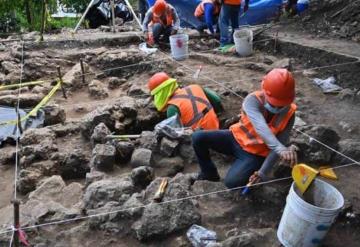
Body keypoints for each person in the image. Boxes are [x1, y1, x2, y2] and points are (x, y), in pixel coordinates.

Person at [192, 68, 298, 188]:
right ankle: (209, 173)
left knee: (231, 182)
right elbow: (260, 127)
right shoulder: (252, 100)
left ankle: (247, 166)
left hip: (255, 154)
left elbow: (280, 143)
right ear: (264, 91)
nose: (277, 108)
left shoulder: (289, 113)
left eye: (281, 105)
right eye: (274, 103)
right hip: (235, 138)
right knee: (198, 137)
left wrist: (262, 173)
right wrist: (281, 148)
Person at [148, 72, 222, 130]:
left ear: (160, 94)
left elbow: (177, 132)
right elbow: (217, 100)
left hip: (201, 139)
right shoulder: (195, 87)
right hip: (216, 126)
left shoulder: (172, 108)